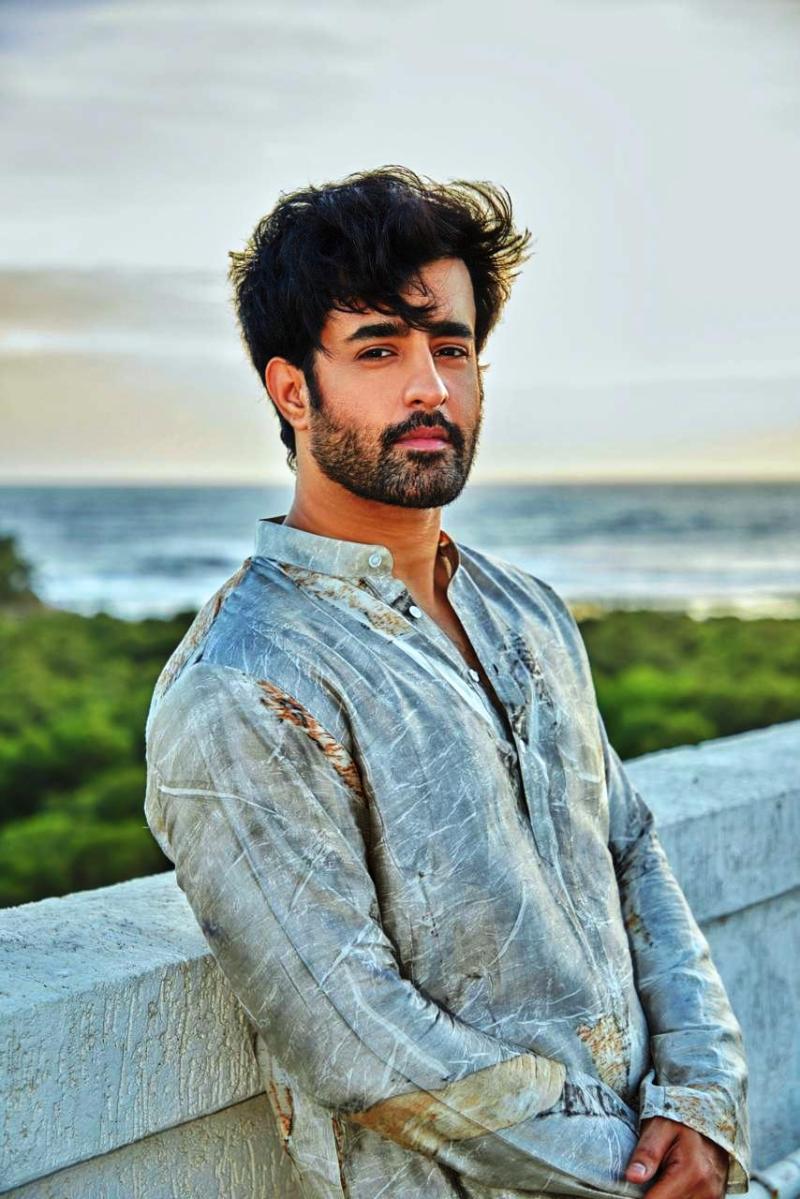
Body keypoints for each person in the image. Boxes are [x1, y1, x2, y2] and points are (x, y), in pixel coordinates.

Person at [143, 166, 750, 1199]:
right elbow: (360, 1043)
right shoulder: (245, 683)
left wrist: (700, 1099)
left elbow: (634, 852)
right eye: (378, 348)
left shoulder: (528, 613)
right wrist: (633, 1177)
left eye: (453, 347)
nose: (429, 387)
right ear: (292, 390)